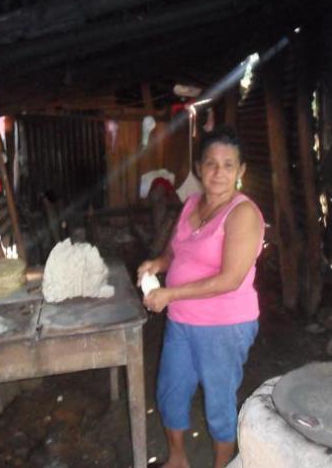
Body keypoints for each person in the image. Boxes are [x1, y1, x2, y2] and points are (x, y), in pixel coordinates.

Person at [138, 125, 265, 468]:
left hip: (224, 325)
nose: (218, 172)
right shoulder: (192, 203)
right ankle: (178, 459)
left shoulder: (243, 214)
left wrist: (170, 293)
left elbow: (230, 279)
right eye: (211, 163)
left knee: (218, 402)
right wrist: (157, 264)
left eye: (228, 165)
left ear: (240, 171)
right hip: (181, 319)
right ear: (199, 168)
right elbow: (175, 251)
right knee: (170, 390)